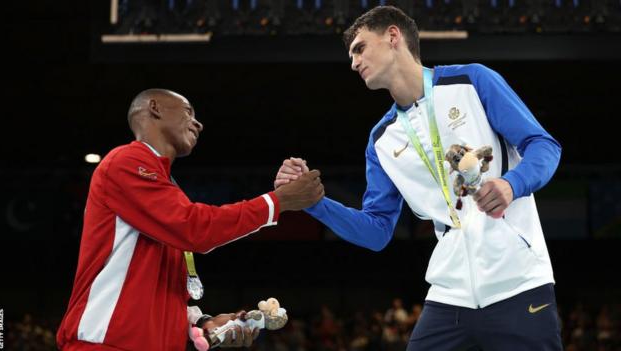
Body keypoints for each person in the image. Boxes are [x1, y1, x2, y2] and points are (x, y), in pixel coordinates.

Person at [275, 6, 562, 351]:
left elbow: (543, 146)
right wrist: (316, 204)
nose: (353, 63)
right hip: (449, 294)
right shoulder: (382, 140)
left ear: (393, 37)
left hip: (519, 283)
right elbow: (377, 231)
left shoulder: (472, 81)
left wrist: (511, 184)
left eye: (360, 48)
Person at [57, 89, 324, 351]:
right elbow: (195, 228)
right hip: (104, 344)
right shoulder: (126, 161)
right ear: (155, 108)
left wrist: (203, 321)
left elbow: (156, 289)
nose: (198, 123)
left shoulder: (166, 190)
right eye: (188, 112)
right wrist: (278, 202)